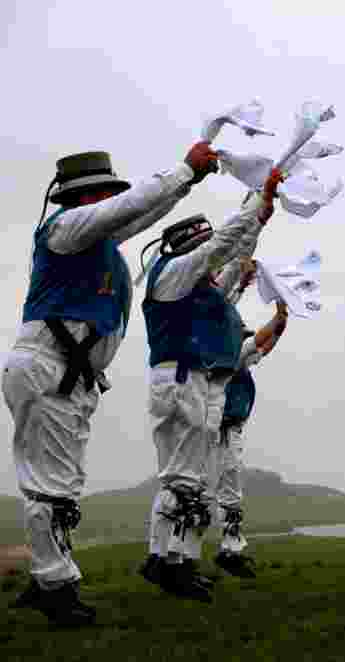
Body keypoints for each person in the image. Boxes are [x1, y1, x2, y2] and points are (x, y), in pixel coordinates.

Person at [6, 143, 218, 626]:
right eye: (104, 193)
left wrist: (188, 182)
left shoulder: (89, 237)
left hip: (63, 373)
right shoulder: (63, 229)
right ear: (85, 198)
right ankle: (55, 587)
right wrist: (184, 167)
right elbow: (128, 209)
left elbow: (136, 216)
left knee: (60, 483)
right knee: (51, 486)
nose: (110, 201)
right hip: (50, 368)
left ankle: (50, 581)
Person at [139, 168, 282, 603]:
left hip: (191, 380)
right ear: (189, 249)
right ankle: (166, 561)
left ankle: (172, 560)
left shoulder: (194, 285)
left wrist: (258, 218)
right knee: (182, 479)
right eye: (201, 249)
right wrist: (258, 207)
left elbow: (233, 259)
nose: (209, 259)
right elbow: (221, 248)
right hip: (181, 378)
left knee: (190, 480)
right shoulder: (174, 274)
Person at [211, 299, 289, 578]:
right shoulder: (230, 358)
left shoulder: (239, 363)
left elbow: (264, 348)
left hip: (229, 432)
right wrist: (277, 318)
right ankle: (196, 552)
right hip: (219, 432)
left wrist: (281, 325)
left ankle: (229, 549)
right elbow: (258, 343)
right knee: (217, 490)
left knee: (228, 491)